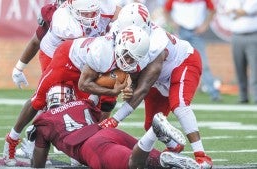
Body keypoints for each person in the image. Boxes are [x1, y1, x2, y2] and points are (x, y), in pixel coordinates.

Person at [3, 26, 150, 166]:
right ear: (119, 44)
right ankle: (12, 138)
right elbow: (83, 84)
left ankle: (83, 148)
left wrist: (129, 87)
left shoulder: (131, 54)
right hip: (67, 60)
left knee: (90, 108)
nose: (130, 61)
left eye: (133, 58)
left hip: (89, 69)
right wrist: (113, 92)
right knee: (38, 100)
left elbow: (130, 76)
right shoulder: (102, 52)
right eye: (128, 56)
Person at [94, 3, 213, 169]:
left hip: (183, 63)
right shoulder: (117, 29)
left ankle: (202, 156)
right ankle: (174, 146)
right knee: (151, 126)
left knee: (179, 105)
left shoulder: (156, 45)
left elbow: (142, 89)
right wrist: (127, 82)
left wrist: (115, 119)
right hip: (158, 79)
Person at [30, 84, 200, 169]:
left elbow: (38, 164)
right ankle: (168, 153)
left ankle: (154, 131)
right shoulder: (82, 104)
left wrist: (36, 139)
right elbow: (102, 114)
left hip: (92, 147)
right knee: (152, 161)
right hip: (109, 134)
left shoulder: (44, 120)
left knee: (135, 164)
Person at [163, 0, 222, 102]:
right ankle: (167, 92)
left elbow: (213, 10)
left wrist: (205, 25)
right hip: (180, 32)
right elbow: (165, 10)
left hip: (196, 32)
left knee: (203, 64)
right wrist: (172, 23)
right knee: (174, 63)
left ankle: (214, 93)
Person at [12, 0, 60, 89]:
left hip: (82, 61)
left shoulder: (92, 13)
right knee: (55, 94)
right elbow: (36, 41)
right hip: (54, 58)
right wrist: (19, 68)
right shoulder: (53, 13)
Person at [221, 0, 257, 104]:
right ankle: (243, 96)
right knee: (239, 67)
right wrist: (237, 12)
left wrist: (236, 12)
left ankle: (255, 96)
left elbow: (246, 11)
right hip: (236, 35)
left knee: (255, 67)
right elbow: (226, 12)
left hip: (253, 35)